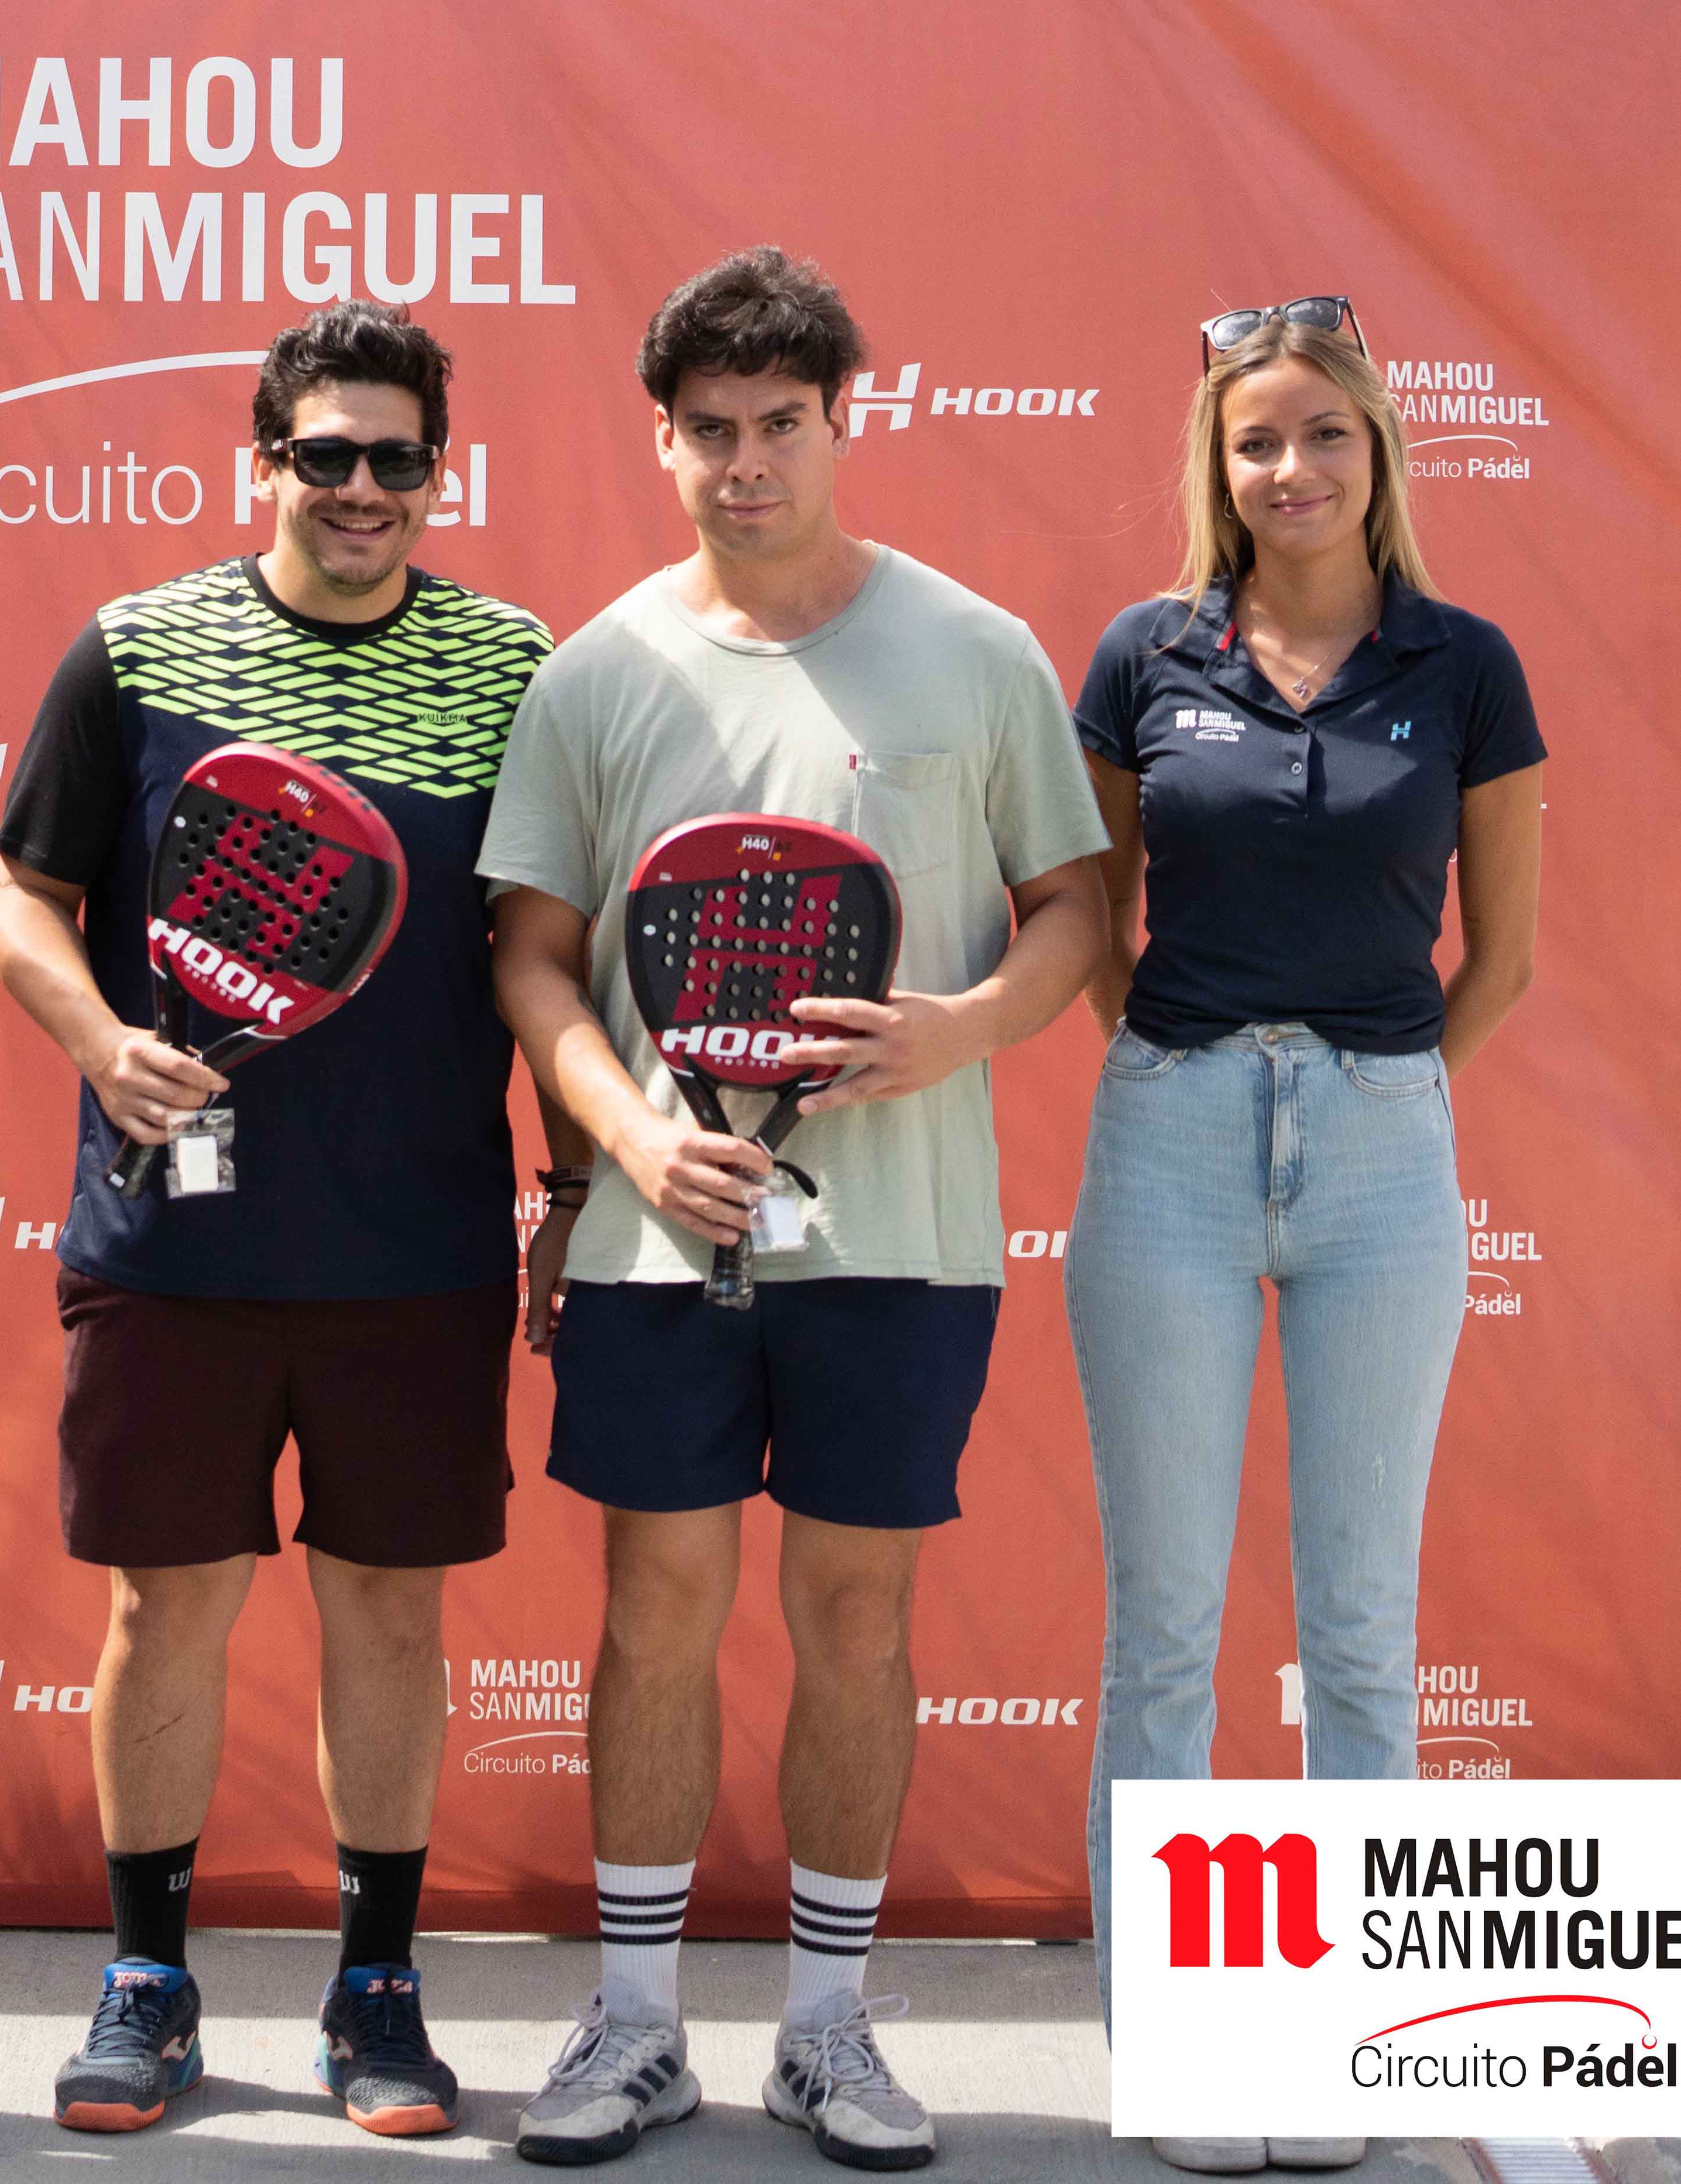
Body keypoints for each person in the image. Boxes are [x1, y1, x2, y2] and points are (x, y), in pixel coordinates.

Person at [478, 248, 1110, 2172]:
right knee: (656, 1610)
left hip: (901, 1244)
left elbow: (1076, 913)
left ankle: (829, 2030)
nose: (745, 463)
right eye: (711, 431)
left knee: (856, 1612)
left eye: (781, 424)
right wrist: (623, 1135)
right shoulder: (597, 670)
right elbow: (534, 956)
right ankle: (637, 2022)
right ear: (661, 441)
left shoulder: (979, 649)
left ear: (846, 420)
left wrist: (960, 1027)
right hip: (654, 1239)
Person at [0, 301, 582, 2138]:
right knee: (165, 1609)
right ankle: (145, 1981)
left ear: (438, 473)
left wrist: (568, 1183)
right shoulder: (135, 648)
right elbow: (17, 893)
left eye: (399, 457)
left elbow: (543, 947)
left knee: (390, 1614)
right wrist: (101, 1040)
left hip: (420, 1245)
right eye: (327, 454)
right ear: (266, 461)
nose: (363, 487)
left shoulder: (515, 665)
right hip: (175, 1243)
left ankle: (376, 1990)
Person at [1065, 297, 1542, 2179]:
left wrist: (1371, 1087)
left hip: (1379, 1151)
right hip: (1171, 1137)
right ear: (1220, 460)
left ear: (1378, 450)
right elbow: (1096, 917)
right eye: (1257, 437)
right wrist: (1192, 1062)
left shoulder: (1466, 662)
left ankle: (1348, 2040)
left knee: (1358, 1628)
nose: (1292, 467)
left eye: (1324, 432)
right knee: (1166, 1631)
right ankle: (1183, 2052)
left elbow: (1504, 957)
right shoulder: (1146, 654)